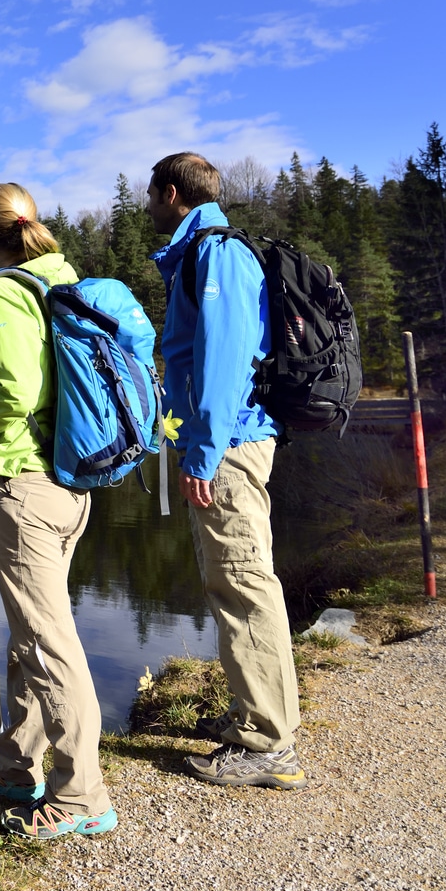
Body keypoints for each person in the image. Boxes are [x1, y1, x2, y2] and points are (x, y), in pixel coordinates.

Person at [0, 182, 117, 839]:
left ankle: (81, 796)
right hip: (71, 483)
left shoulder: (6, 290)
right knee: (33, 631)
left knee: (46, 640)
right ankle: (15, 763)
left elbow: (12, 397)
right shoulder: (61, 278)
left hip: (24, 482)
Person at [147, 152, 307, 790]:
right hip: (221, 444)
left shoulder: (217, 255)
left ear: (170, 192)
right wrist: (177, 439)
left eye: (150, 194)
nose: (145, 206)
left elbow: (223, 365)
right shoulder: (199, 255)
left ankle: (268, 743)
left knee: (243, 583)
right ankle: (259, 714)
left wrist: (203, 453)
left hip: (231, 448)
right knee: (234, 582)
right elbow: (191, 365)